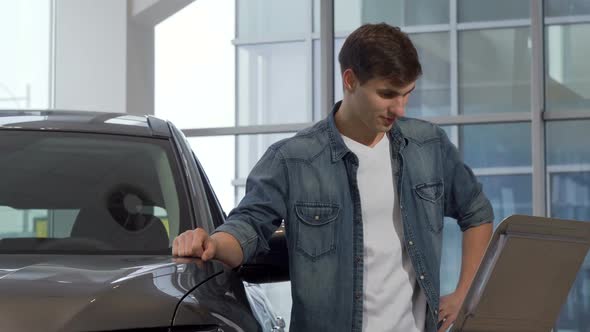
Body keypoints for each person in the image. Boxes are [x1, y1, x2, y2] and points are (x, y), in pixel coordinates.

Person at [173, 23, 494, 332]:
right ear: (350, 80)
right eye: (387, 94)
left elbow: (476, 213)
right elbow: (247, 227)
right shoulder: (292, 159)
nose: (399, 108)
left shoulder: (428, 145)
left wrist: (465, 292)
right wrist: (211, 244)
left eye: (406, 94)